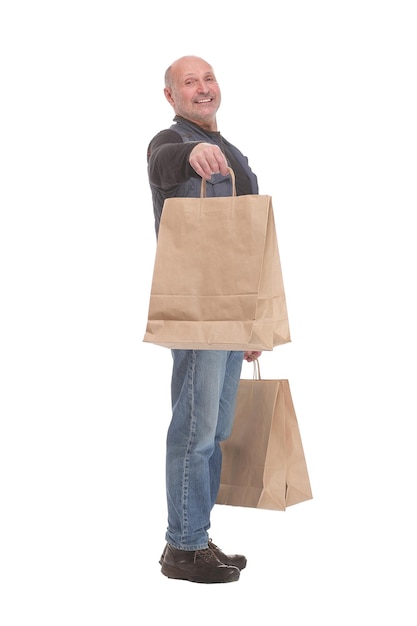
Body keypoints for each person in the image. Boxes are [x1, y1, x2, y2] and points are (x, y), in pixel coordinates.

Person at [147, 55, 262, 584]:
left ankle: (197, 534)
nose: (202, 88)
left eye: (208, 78)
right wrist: (194, 151)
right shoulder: (169, 143)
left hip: (229, 309)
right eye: (189, 82)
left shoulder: (233, 151)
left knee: (214, 431)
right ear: (171, 96)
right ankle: (182, 548)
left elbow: (246, 239)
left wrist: (251, 319)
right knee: (192, 430)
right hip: (196, 308)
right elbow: (164, 165)